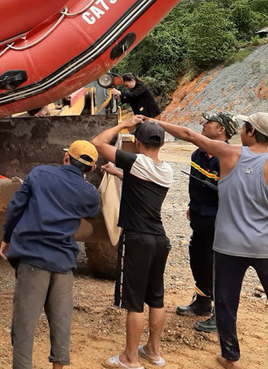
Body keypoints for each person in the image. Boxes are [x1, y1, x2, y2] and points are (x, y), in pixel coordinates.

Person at [148, 112, 268, 369]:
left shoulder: (230, 154)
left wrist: (153, 121)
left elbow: (189, 135)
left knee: (226, 301)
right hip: (264, 247)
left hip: (229, 245)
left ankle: (230, 357)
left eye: (245, 126)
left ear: (250, 131)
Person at [0, 140, 101, 369]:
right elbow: (93, 213)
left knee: (25, 326)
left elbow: (16, 207)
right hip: (64, 263)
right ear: (91, 169)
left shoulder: (40, 174)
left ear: (66, 158)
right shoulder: (89, 193)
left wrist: (6, 238)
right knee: (61, 324)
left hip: (33, 260)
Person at [92, 116, 173, 369]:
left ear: (137, 143)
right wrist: (117, 172)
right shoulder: (166, 170)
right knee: (156, 298)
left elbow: (98, 142)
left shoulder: (136, 160)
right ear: (161, 144)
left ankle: (130, 358)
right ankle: (153, 351)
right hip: (160, 238)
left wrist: (122, 125)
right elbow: (144, 183)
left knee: (135, 302)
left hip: (137, 238)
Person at [176, 112, 238, 334]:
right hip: (200, 219)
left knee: (218, 266)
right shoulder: (198, 154)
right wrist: (193, 207)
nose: (203, 125)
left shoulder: (230, 156)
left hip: (220, 220)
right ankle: (202, 302)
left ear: (221, 129)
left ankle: (220, 317)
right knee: (199, 259)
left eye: (209, 123)